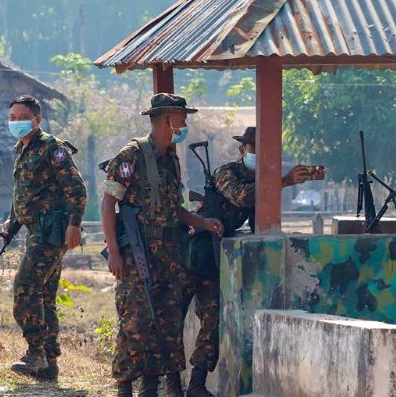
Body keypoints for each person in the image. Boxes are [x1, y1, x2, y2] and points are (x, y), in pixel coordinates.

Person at [100, 93, 223, 397]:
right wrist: (114, 252)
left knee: (167, 324)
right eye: (182, 118)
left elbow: (174, 210)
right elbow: (107, 204)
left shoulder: (171, 160)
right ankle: (125, 387)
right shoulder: (132, 155)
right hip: (138, 254)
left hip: (169, 255)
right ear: (167, 119)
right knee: (136, 320)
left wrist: (204, 223)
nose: (185, 125)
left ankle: (156, 388)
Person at [181, 126, 317, 395]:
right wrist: (285, 181)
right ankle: (169, 381)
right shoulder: (226, 173)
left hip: (213, 255)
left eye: (262, 149)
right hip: (191, 251)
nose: (257, 153)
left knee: (212, 319)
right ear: (243, 150)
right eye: (253, 147)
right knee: (171, 318)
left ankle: (196, 384)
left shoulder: (264, 180)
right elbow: (242, 195)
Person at [3, 95, 87, 380]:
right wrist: (13, 220)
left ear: (37, 119)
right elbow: (27, 193)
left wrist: (74, 225)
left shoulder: (54, 149)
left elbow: (76, 189)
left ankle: (34, 352)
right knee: (44, 296)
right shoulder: (23, 149)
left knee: (25, 286)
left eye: (22, 117)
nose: (16, 122)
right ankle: (49, 364)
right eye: (12, 118)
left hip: (51, 232)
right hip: (36, 230)